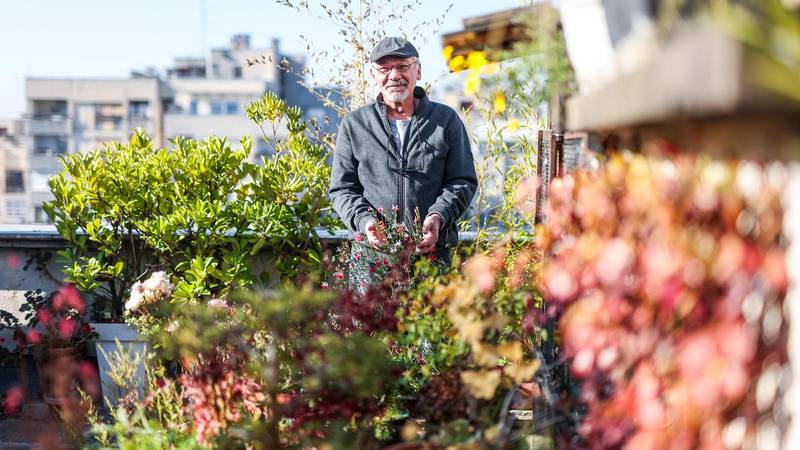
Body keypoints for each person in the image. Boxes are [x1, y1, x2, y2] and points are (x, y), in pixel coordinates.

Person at [329, 36, 477, 269]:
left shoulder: (446, 120)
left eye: (402, 67)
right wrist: (365, 221)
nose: (394, 75)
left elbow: (462, 181)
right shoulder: (355, 124)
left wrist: (438, 216)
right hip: (372, 262)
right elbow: (342, 189)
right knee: (371, 308)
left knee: (431, 308)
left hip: (432, 257)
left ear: (418, 71)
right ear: (374, 75)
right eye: (385, 69)